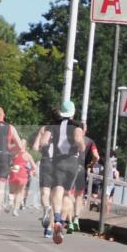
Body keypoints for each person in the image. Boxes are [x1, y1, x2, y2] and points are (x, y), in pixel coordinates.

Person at [45, 101, 85, 243]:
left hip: (58, 161)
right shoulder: (77, 125)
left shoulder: (53, 125)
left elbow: (44, 141)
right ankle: (61, 222)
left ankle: (56, 219)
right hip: (72, 161)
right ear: (73, 112)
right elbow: (78, 139)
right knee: (68, 194)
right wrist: (81, 147)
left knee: (57, 191)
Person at [70, 126, 99, 233]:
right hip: (82, 169)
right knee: (79, 195)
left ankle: (69, 219)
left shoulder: (70, 139)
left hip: (69, 168)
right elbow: (96, 156)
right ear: (85, 131)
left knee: (68, 194)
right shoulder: (90, 142)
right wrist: (91, 164)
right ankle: (76, 219)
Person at [32, 125, 54, 227]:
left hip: (47, 162)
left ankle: (46, 207)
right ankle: (50, 228)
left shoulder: (44, 129)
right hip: (61, 163)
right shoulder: (68, 128)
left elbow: (35, 147)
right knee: (56, 196)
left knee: (45, 192)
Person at [7, 138, 35, 215]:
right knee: (19, 192)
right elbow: (34, 166)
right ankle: (15, 209)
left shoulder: (14, 153)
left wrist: (9, 170)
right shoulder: (27, 155)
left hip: (15, 170)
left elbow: (9, 163)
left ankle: (10, 202)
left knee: (12, 191)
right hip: (23, 173)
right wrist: (31, 172)